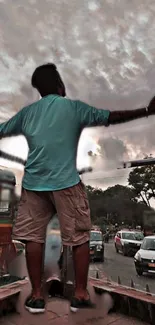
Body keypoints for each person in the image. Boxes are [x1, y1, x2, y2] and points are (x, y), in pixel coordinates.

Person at [0, 63, 155, 313]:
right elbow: (111, 117)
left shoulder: (27, 113)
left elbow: (1, 130)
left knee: (33, 239)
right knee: (80, 237)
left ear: (39, 89)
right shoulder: (73, 107)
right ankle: (80, 293)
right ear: (60, 85)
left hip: (33, 184)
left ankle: (37, 294)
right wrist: (147, 111)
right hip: (66, 183)